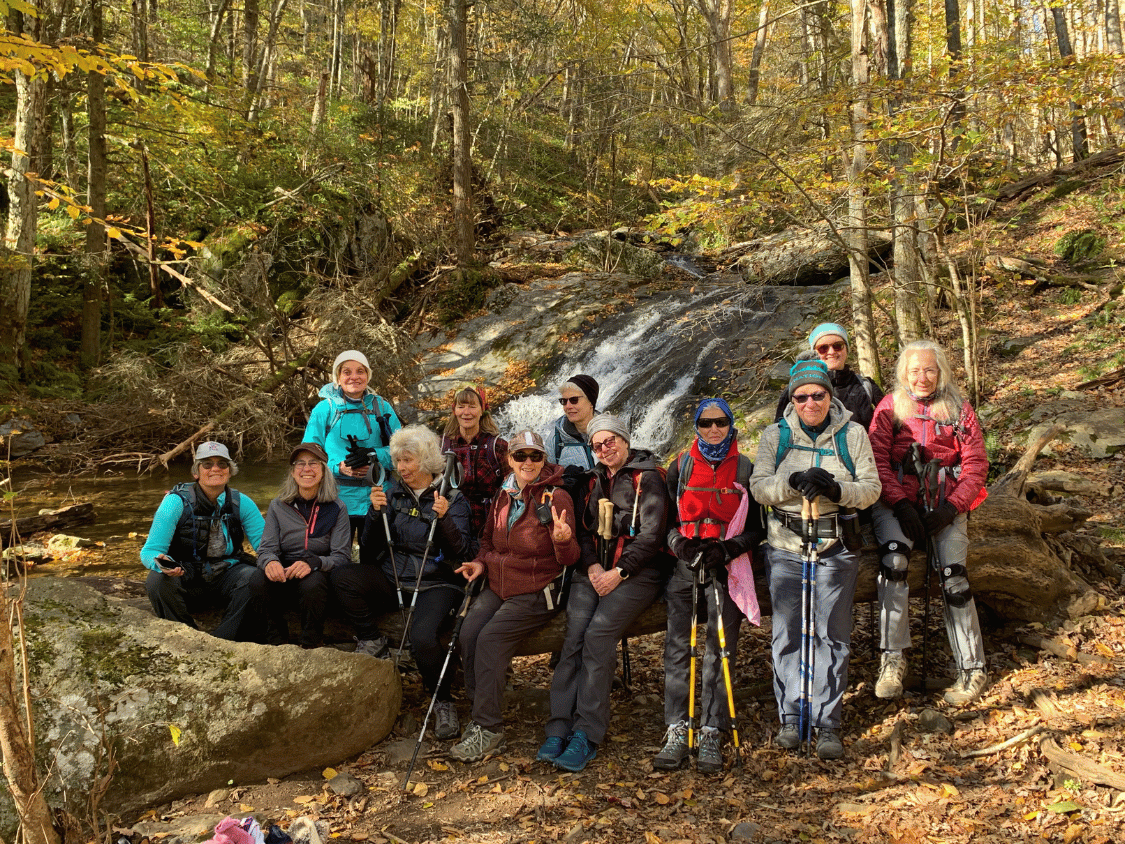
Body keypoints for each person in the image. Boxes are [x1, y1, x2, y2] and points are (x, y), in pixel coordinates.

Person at [750, 359, 881, 759]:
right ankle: (792, 717)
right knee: (788, 632)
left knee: (830, 633)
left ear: (830, 395)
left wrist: (836, 489)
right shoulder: (775, 435)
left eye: (818, 394)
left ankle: (827, 722)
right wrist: (791, 482)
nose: (810, 402)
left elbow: (871, 488)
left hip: (834, 546)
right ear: (792, 399)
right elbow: (758, 487)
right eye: (801, 396)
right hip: (786, 546)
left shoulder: (853, 433)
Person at [538, 413, 671, 773]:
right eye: (597, 445)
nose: (604, 449)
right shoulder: (593, 479)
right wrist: (594, 566)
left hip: (638, 573)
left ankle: (587, 732)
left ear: (625, 440)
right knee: (573, 638)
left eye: (610, 441)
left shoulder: (649, 478)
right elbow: (584, 531)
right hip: (595, 570)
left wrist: (619, 571)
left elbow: (652, 537)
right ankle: (558, 726)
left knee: (598, 636)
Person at [330, 424, 473, 737]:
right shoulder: (393, 493)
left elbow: (464, 552)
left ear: (426, 461)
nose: (401, 467)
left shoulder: (452, 498)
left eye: (408, 460)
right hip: (393, 575)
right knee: (342, 577)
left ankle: (442, 701)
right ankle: (373, 640)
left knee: (422, 638)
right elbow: (368, 552)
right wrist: (374, 513)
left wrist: (445, 520)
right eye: (398, 460)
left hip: (436, 582)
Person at [868, 340, 990, 706]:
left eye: (930, 370)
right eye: (915, 371)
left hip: (945, 502)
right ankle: (892, 660)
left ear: (941, 372)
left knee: (954, 577)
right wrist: (900, 503)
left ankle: (972, 669)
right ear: (903, 373)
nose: (922, 378)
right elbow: (876, 460)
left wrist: (951, 508)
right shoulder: (889, 407)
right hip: (897, 503)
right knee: (894, 560)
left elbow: (976, 465)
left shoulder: (959, 409)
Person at [449, 430, 581, 763]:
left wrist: (563, 540)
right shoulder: (504, 492)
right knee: (468, 634)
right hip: (499, 583)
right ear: (509, 459)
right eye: (520, 455)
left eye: (535, 456)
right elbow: (488, 542)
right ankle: (482, 712)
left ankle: (489, 729)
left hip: (538, 588)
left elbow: (570, 559)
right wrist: (480, 564)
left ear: (543, 459)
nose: (527, 462)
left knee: (490, 640)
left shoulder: (555, 497)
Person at [657, 398, 765, 773]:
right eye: (706, 423)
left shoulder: (746, 468)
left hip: (726, 565)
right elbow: (665, 522)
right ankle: (677, 728)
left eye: (720, 422)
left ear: (731, 424)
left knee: (720, 648)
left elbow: (759, 527)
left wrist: (728, 549)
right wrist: (680, 545)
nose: (713, 429)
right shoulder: (680, 466)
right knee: (677, 647)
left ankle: (710, 730)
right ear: (697, 427)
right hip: (685, 565)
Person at [141, 441, 267, 641]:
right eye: (207, 464)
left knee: (256, 577)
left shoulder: (241, 502)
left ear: (230, 471)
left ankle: (225, 639)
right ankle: (187, 638)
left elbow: (265, 546)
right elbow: (149, 551)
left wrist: (277, 563)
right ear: (196, 472)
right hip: (186, 574)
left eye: (222, 464)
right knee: (157, 580)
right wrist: (161, 563)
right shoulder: (175, 502)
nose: (215, 469)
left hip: (227, 574)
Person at [302, 350, 402, 557]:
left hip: (378, 499)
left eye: (360, 371)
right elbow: (307, 457)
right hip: (335, 500)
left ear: (368, 375)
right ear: (338, 377)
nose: (354, 377)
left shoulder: (382, 407)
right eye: (347, 372)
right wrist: (338, 468)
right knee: (335, 560)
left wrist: (373, 454)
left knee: (375, 561)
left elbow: (402, 453)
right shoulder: (324, 410)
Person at [256, 442, 351, 648]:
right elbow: (266, 549)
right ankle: (276, 642)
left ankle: (311, 644)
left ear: (323, 472)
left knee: (312, 584)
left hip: (317, 572)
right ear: (292, 472)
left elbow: (342, 557)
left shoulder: (338, 507)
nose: (306, 469)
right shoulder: (277, 505)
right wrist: (270, 562)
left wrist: (315, 563)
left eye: (313, 463)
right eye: (300, 463)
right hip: (285, 569)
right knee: (257, 579)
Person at [775, 323, 884, 430]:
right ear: (814, 353)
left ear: (846, 349)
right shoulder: (797, 388)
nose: (831, 352)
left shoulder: (865, 385)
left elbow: (887, 424)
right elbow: (779, 430)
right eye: (823, 348)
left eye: (837, 346)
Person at [441, 385, 509, 543]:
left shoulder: (497, 446)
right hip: (451, 526)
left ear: (482, 410)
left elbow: (512, 488)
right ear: (454, 410)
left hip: (490, 526)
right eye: (461, 406)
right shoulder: (441, 446)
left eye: (472, 406)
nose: (466, 412)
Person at [545, 374, 599, 470]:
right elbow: (547, 473)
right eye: (564, 401)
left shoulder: (610, 431)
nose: (568, 406)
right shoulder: (556, 438)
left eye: (574, 400)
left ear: (591, 402)